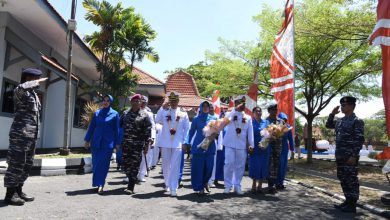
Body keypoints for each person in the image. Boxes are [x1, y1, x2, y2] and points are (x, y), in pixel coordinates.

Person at [4, 68, 47, 206]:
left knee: (26, 165)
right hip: (20, 135)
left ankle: (18, 190)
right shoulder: (20, 91)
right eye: (35, 78)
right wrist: (33, 83)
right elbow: (21, 87)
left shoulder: (33, 94)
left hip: (31, 135)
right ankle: (10, 195)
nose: (38, 81)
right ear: (28, 78)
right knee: (16, 164)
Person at [326, 96, 364, 213]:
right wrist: (332, 114)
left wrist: (353, 155)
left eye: (344, 105)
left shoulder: (356, 121)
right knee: (343, 178)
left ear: (352, 106)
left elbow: (359, 140)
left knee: (351, 179)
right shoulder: (340, 121)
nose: (342, 107)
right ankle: (347, 200)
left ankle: (352, 204)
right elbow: (328, 125)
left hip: (350, 156)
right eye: (341, 105)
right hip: (340, 156)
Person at [155, 91, 190, 197]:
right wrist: (162, 108)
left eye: (175, 101)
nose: (173, 103)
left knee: (175, 166)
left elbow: (187, 129)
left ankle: (174, 187)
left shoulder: (183, 114)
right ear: (169, 101)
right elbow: (157, 120)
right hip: (165, 142)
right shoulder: (164, 112)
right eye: (172, 101)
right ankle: (167, 184)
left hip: (177, 144)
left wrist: (184, 142)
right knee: (165, 166)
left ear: (178, 101)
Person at [84, 95, 120, 195]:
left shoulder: (115, 114)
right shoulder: (97, 113)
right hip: (96, 143)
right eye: (104, 100)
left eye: (108, 101)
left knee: (104, 165)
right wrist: (87, 140)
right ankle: (96, 183)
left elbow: (116, 130)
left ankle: (101, 184)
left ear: (111, 102)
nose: (105, 102)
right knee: (96, 164)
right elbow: (91, 127)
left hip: (107, 144)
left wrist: (117, 143)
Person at [121, 94, 152, 194]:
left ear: (141, 103)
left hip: (137, 145)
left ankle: (131, 186)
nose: (136, 103)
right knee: (126, 165)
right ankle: (130, 178)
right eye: (134, 101)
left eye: (138, 101)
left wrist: (147, 146)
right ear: (131, 102)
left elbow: (148, 132)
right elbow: (119, 127)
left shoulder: (144, 115)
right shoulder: (125, 114)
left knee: (134, 165)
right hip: (126, 144)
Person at [223, 95, 254, 195]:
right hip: (229, 143)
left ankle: (237, 185)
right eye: (239, 103)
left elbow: (250, 133)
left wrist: (251, 145)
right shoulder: (229, 114)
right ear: (235, 104)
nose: (242, 106)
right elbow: (225, 122)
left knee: (240, 166)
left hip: (241, 145)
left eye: (243, 104)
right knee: (229, 164)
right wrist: (234, 111)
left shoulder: (248, 118)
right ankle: (227, 185)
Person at [185, 101, 218, 195]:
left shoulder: (214, 119)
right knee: (198, 168)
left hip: (210, 146)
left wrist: (214, 135)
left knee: (209, 167)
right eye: (204, 106)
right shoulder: (196, 119)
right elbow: (191, 132)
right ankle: (200, 187)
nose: (206, 107)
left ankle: (205, 182)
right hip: (199, 146)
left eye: (207, 106)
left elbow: (217, 131)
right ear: (201, 107)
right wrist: (187, 141)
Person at [248, 107, 269, 194]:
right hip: (254, 148)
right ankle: (253, 184)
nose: (258, 112)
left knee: (263, 166)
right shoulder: (250, 122)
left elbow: (270, 134)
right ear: (253, 113)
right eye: (256, 111)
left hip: (264, 147)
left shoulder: (266, 122)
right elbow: (247, 135)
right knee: (254, 166)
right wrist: (248, 146)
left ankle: (260, 185)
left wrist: (266, 143)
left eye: (260, 111)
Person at [265, 102, 285, 194]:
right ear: (269, 111)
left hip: (278, 146)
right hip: (269, 145)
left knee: (276, 165)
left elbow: (283, 132)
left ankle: (274, 183)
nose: (275, 111)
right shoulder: (265, 121)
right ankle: (270, 185)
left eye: (276, 110)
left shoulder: (281, 121)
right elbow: (263, 132)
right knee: (270, 165)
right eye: (273, 110)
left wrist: (280, 132)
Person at [137, 96, 156, 182]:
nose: (142, 103)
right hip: (136, 137)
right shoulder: (135, 111)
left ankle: (141, 174)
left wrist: (152, 138)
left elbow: (152, 127)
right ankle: (130, 175)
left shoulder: (149, 113)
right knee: (134, 157)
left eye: (144, 102)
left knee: (145, 156)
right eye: (141, 101)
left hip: (145, 137)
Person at [276, 112, 294, 190]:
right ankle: (276, 182)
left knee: (283, 166)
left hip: (284, 149)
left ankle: (281, 182)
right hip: (276, 148)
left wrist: (292, 149)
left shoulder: (288, 127)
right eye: (281, 119)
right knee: (277, 165)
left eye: (284, 120)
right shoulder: (275, 127)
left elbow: (290, 139)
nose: (283, 121)